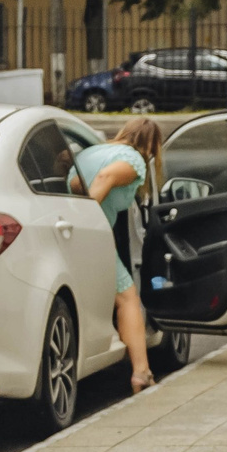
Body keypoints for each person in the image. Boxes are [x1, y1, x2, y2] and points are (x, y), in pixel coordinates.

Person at [70, 117, 164, 393]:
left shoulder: (90, 152)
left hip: (68, 235)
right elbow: (106, 177)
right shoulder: (134, 160)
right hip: (92, 237)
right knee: (128, 298)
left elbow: (75, 183)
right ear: (152, 145)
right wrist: (88, 215)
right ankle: (141, 372)